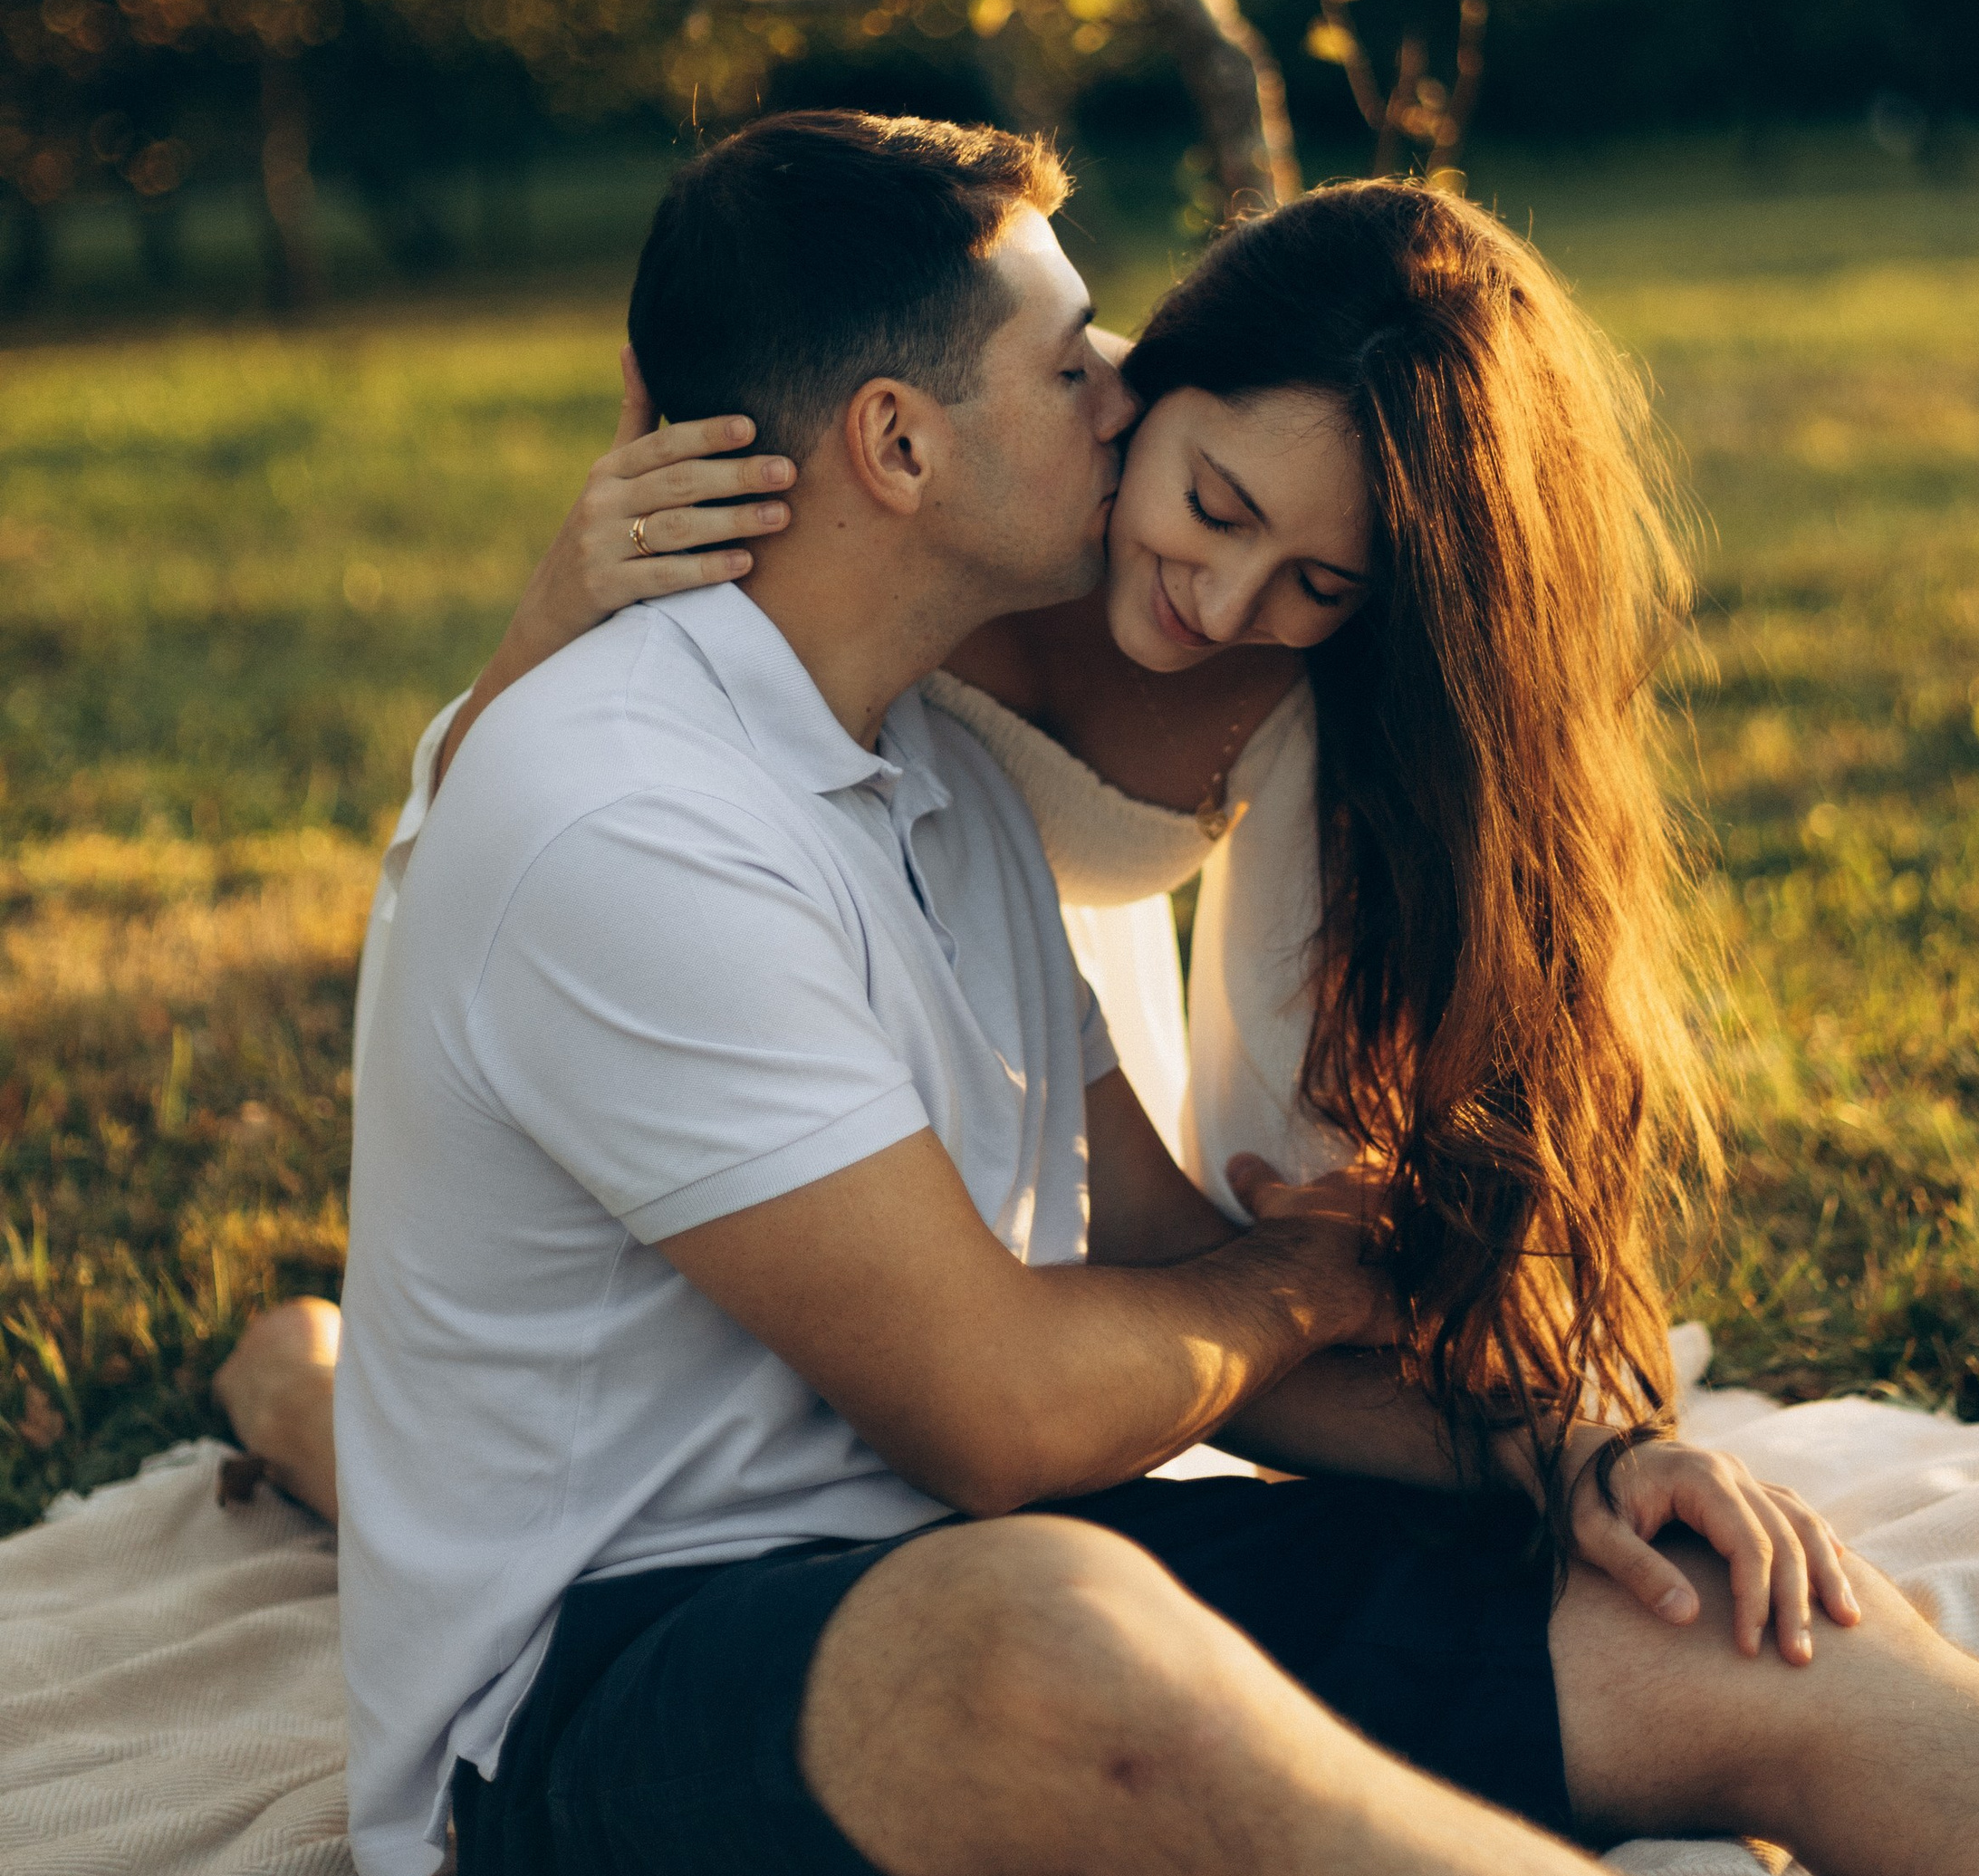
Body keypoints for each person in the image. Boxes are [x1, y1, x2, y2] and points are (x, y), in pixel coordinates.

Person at [324, 110, 1979, 1876]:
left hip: (953, 1585)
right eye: (1076, 366)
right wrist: (1296, 1285)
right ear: (900, 448)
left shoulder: (924, 791)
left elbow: (1161, 1252)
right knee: (1055, 1619)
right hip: (599, 1735)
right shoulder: (623, 817)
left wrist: (1557, 1453)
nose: (1119, 394)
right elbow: (1011, 1406)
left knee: (1716, 1619)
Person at [223, 166, 1708, 1544]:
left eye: (1315, 580)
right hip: (747, 934)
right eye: (1210, 508)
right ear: (1142, 388)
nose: (1226, 590)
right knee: (597, 1446)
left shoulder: (1327, 630)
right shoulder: (961, 472)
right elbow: (529, 812)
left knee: (1099, 1360)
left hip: (1000, 961)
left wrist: (1511, 1393)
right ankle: (299, 1393)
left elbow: (1294, 1178)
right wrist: (556, 606)